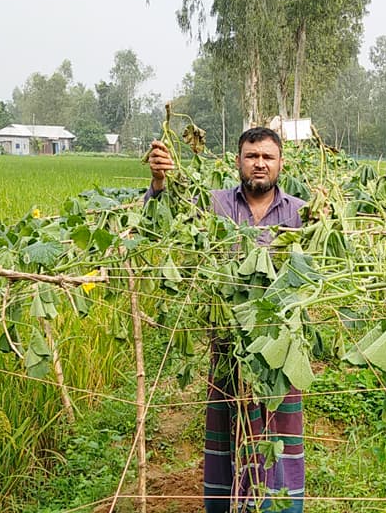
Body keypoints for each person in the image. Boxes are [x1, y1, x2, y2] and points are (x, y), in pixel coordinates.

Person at [146, 127, 306, 512]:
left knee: (277, 435)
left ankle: (276, 507)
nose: (260, 164)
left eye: (268, 156)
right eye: (252, 156)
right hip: (228, 342)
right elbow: (167, 216)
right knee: (227, 433)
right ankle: (228, 505)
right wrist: (159, 181)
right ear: (239, 161)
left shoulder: (302, 212)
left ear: (280, 163)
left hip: (278, 346)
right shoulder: (214, 204)